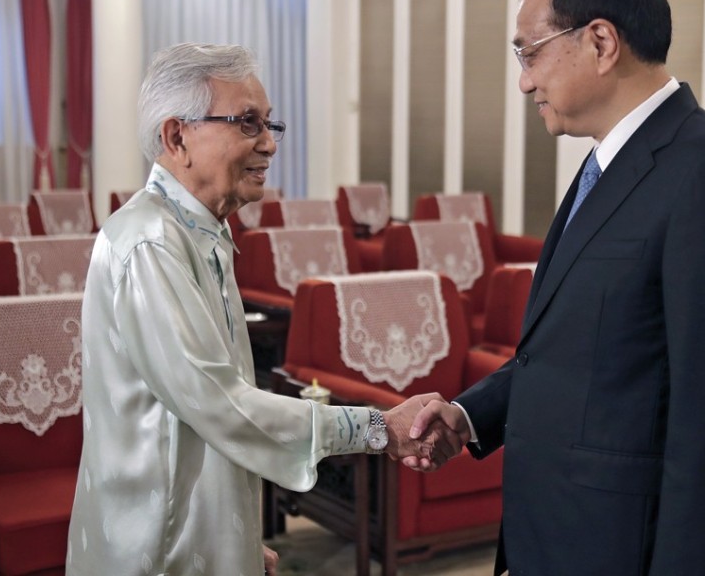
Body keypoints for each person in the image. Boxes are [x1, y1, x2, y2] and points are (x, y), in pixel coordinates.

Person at [407, 0, 705, 575]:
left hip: (626, 545)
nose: (525, 79)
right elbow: (577, 350)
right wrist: (471, 415)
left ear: (601, 41)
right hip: (553, 529)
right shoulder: (606, 162)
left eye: (529, 52)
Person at [65, 43, 457, 576]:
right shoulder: (150, 242)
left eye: (271, 124)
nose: (270, 144)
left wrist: (237, 534)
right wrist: (375, 427)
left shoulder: (203, 228)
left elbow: (205, 419)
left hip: (194, 535)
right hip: (155, 546)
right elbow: (219, 404)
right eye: (247, 124)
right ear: (177, 136)